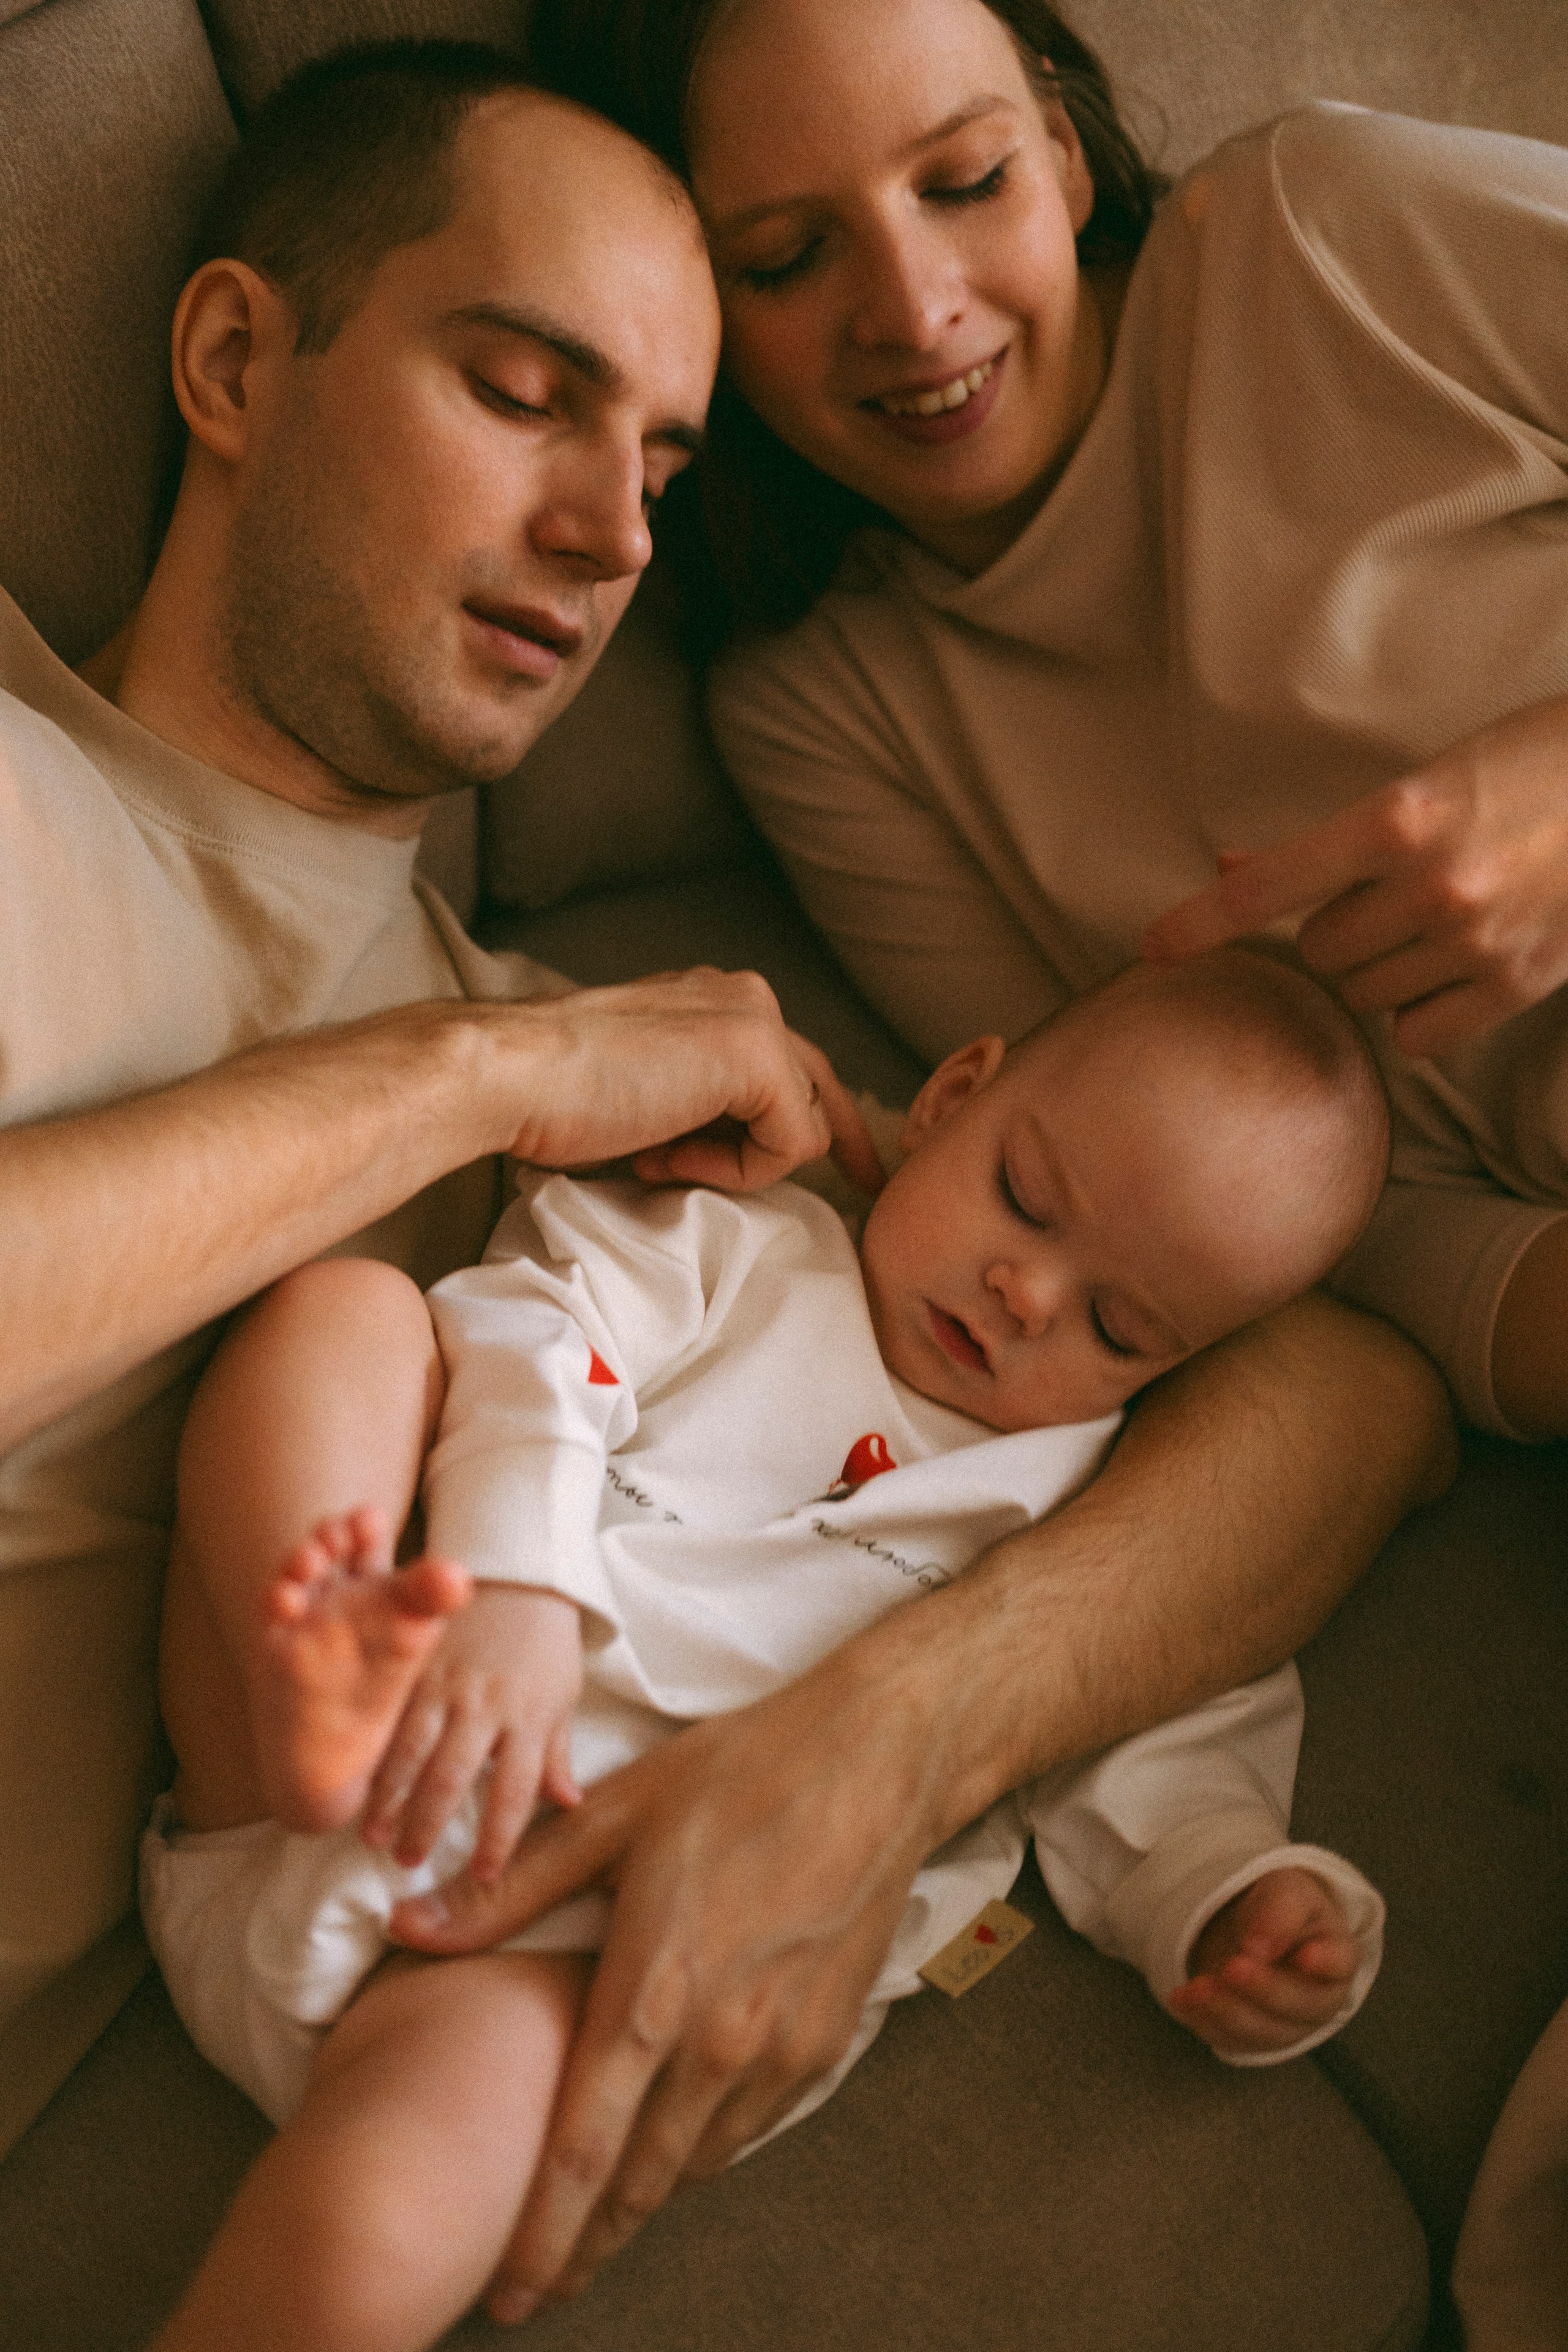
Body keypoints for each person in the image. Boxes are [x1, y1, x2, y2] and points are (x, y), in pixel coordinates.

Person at [0, 20, 1449, 2332]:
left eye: (667, 459)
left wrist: (906, 1750)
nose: (611, 538)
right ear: (234, 356)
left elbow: (1346, 1397)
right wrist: (482, 1071)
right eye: (520, 389)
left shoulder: (669, 1132)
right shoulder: (469, 1039)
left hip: (394, 1879)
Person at [513, 0, 1568, 2331]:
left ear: (1077, 148)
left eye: (966, 182)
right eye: (787, 255)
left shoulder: (1334, 234)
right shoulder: (829, 705)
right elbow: (1203, 1240)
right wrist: (1524, 1318)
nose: (911, 313)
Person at [143, 946, 1390, 2352]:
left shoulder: (1094, 1523)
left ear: (1182, 1366)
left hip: (539, 1955)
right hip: (332, 1742)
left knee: (368, 2231)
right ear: (952, 1094)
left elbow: (1165, 1731)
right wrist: (511, 1584)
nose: (1025, 1293)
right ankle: (313, 1660)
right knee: (345, 1314)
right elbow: (532, 1332)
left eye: (1117, 1325)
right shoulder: (730, 1246)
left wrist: (1235, 1898)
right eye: (1024, 1200)